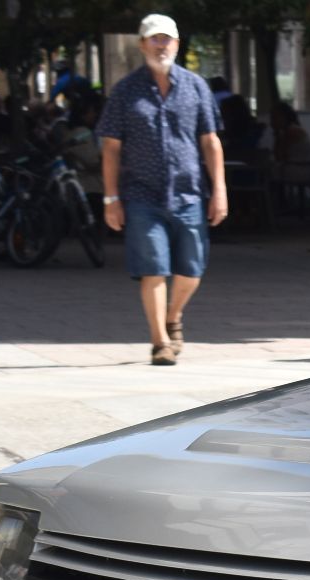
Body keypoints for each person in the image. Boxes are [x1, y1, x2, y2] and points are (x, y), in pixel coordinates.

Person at [98, 13, 227, 366]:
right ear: (142, 44)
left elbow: (210, 141)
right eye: (154, 39)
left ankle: (173, 316)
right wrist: (111, 198)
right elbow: (110, 147)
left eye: (167, 39)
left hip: (188, 193)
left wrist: (220, 190)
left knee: (191, 271)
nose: (161, 45)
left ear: (177, 44)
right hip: (142, 194)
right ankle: (160, 342)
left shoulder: (196, 87)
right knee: (153, 268)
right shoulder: (125, 91)